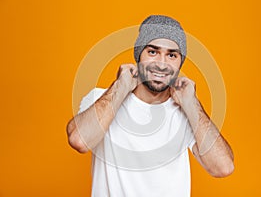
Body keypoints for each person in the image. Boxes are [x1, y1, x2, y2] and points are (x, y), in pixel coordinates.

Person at [67, 15, 234, 197]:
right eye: (153, 52)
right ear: (139, 55)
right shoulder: (102, 99)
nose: (161, 64)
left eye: (171, 55)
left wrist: (192, 104)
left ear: (180, 62)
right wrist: (120, 87)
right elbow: (79, 140)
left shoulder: (186, 112)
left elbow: (223, 167)